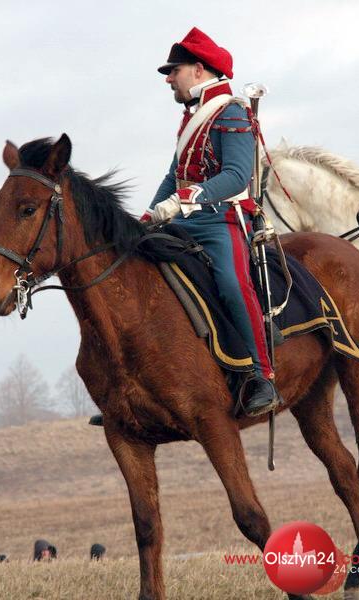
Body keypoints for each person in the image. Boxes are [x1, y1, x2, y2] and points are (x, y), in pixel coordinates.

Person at [142, 27, 278, 416]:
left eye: (174, 71)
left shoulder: (232, 112)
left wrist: (186, 199)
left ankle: (262, 375)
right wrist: (149, 215)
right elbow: (173, 176)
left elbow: (236, 176)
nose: (169, 79)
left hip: (223, 221)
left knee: (232, 285)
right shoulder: (191, 118)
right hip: (183, 221)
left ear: (198, 70)